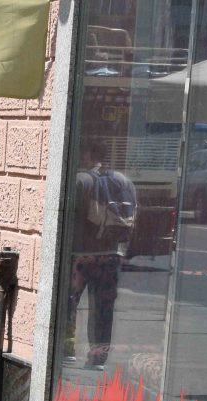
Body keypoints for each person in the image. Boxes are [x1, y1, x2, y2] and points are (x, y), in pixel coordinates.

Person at [66, 141, 135, 369]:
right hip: (111, 254)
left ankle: (67, 350)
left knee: (69, 303)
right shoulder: (124, 182)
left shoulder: (80, 180)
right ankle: (98, 357)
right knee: (104, 309)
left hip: (82, 255)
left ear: (88, 154)